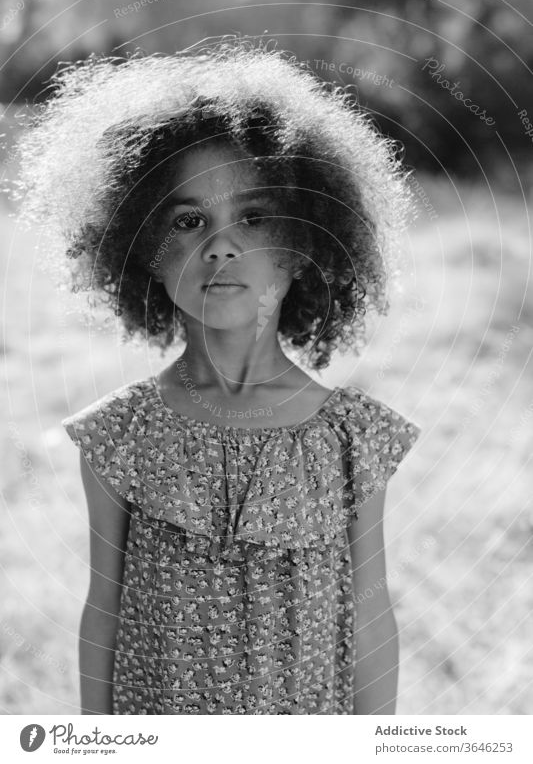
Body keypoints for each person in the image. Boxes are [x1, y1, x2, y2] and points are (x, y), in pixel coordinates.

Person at [14, 36, 421, 715]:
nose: (221, 243)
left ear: (304, 248)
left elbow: (372, 616)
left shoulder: (353, 440)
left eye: (254, 217)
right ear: (141, 252)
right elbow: (103, 610)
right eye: (187, 218)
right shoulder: (121, 435)